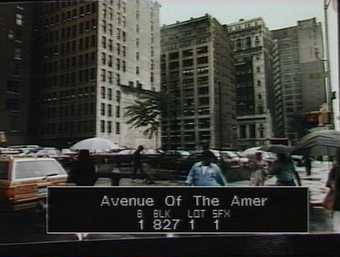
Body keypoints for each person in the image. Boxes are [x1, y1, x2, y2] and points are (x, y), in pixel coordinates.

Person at [324, 149, 340, 232]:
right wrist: (332, 183)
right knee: (337, 223)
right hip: (337, 199)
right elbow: (329, 182)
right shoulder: (335, 168)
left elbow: (329, 182)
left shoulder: (335, 168)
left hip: (337, 200)